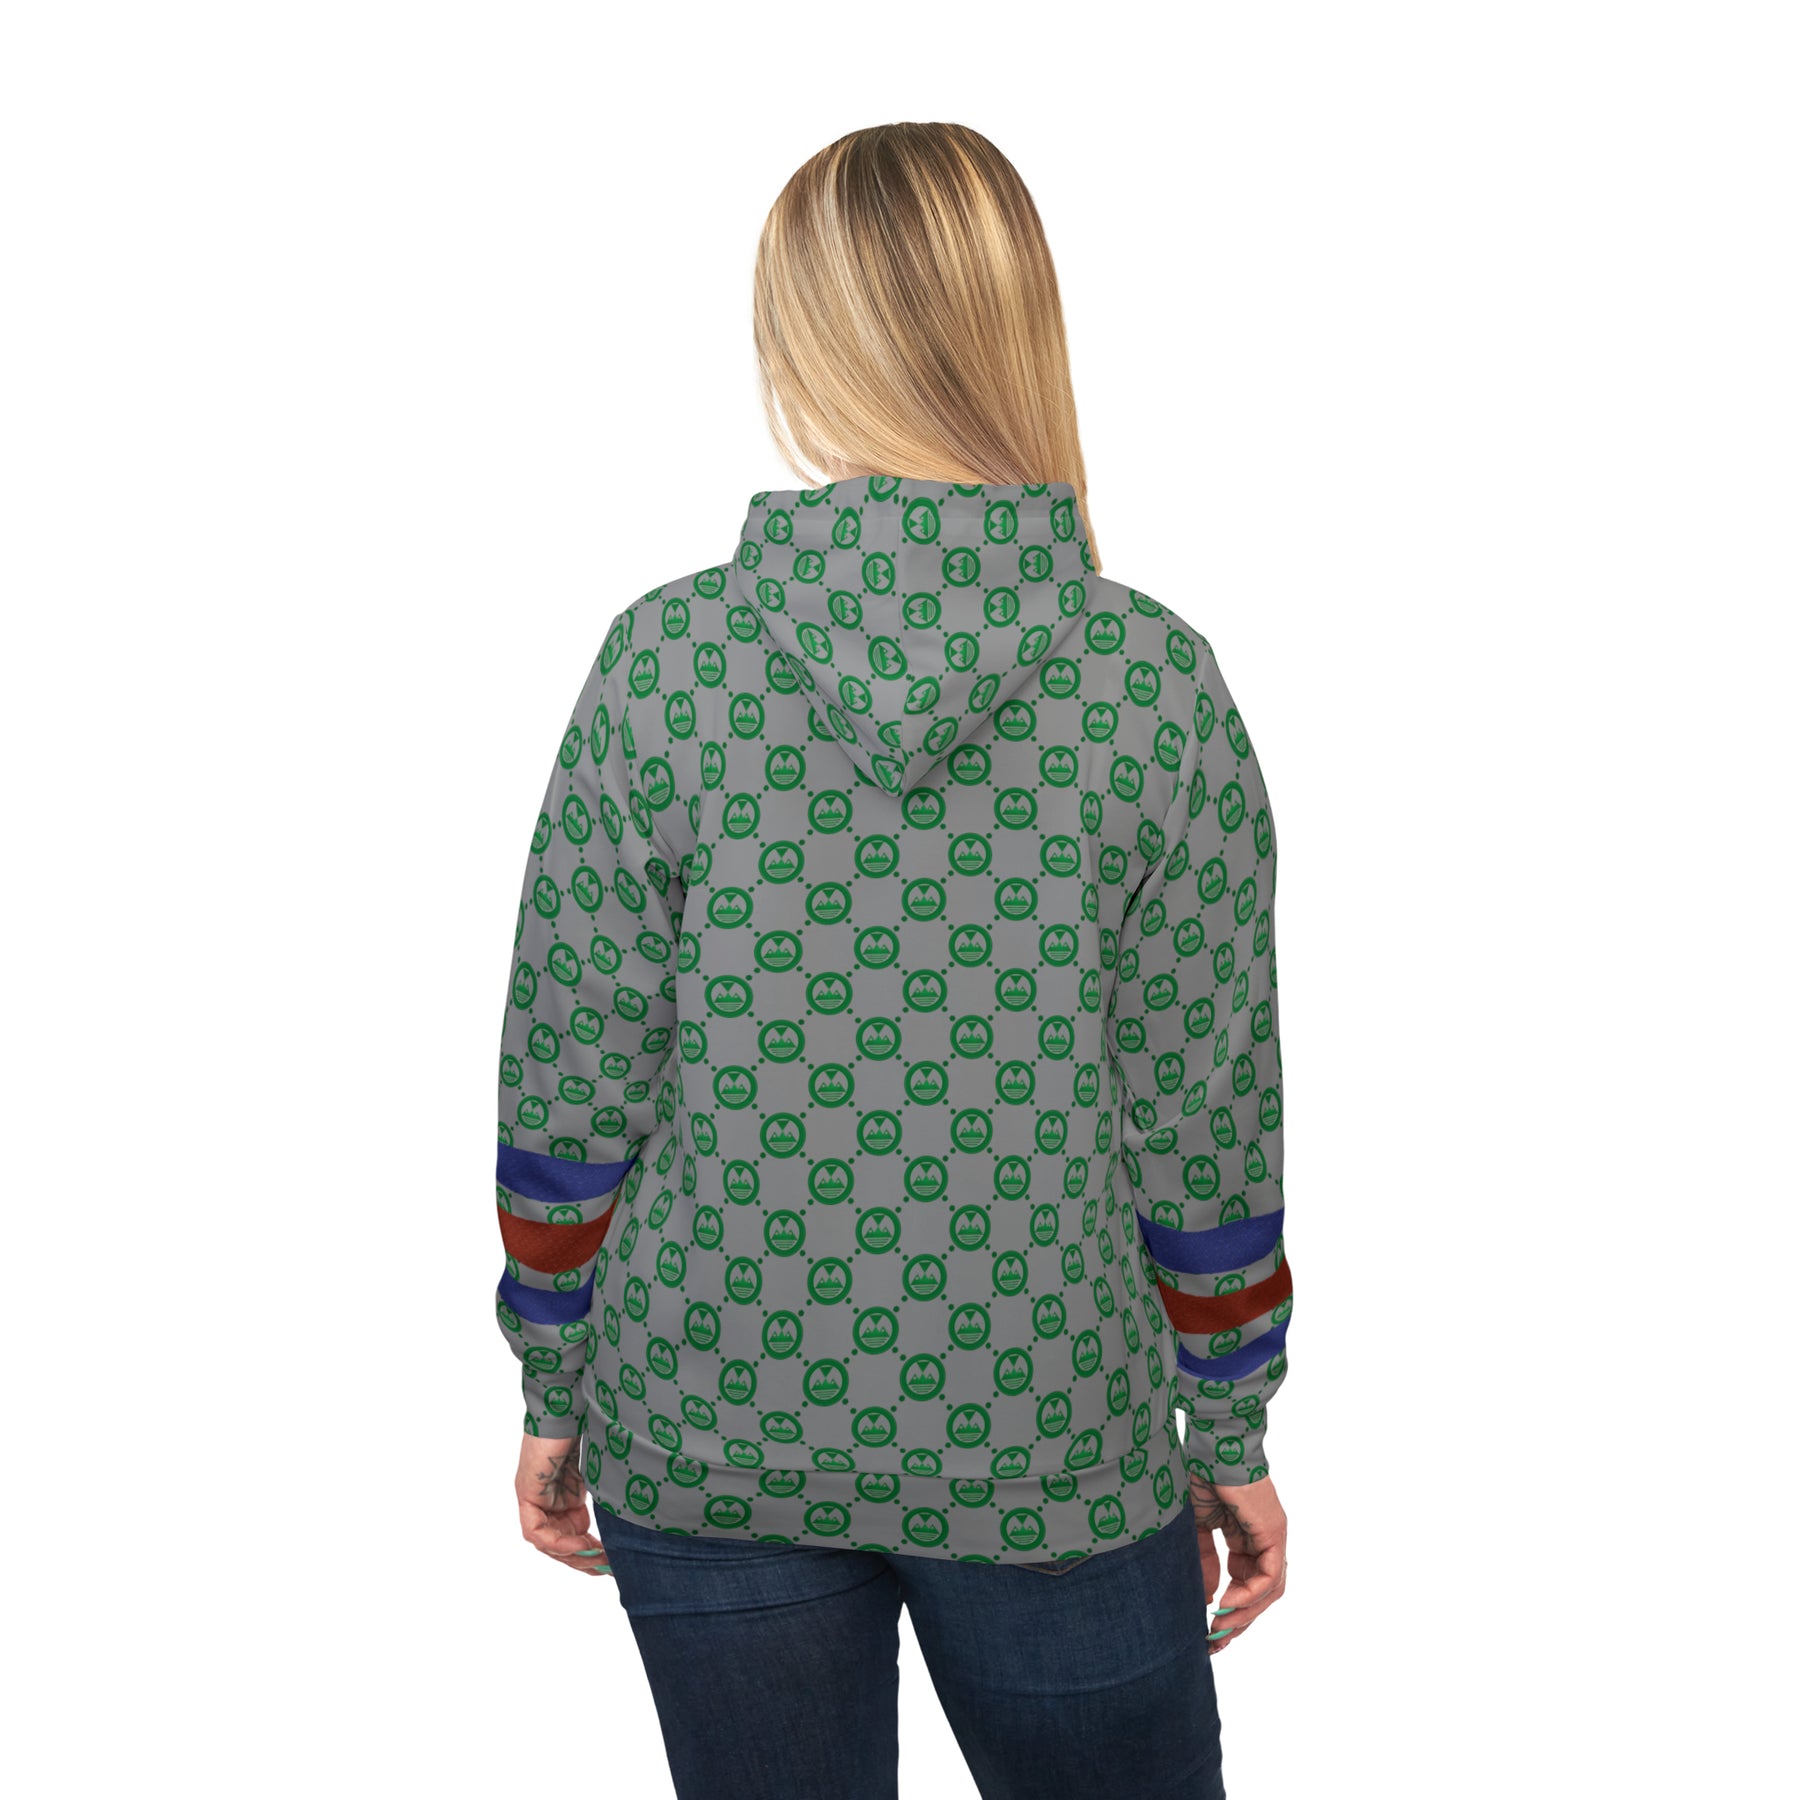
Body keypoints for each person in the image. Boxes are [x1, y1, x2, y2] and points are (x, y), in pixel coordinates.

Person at [489, 121, 1291, 1800]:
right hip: (1052, 1434)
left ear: (799, 337)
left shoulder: (664, 667)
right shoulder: (1152, 685)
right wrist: (1228, 1421)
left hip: (706, 1421)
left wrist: (555, 1378)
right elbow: (1204, 1117)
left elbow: (572, 1072)